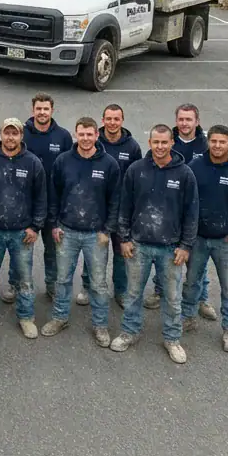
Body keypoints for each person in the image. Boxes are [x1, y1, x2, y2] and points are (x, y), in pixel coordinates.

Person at [109, 124, 199, 364]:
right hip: (138, 245)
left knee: (171, 297)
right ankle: (129, 331)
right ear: (149, 143)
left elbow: (192, 213)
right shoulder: (135, 170)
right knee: (133, 293)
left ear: (172, 143)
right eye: (155, 142)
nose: (160, 147)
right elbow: (124, 207)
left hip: (171, 249)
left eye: (164, 142)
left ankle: (172, 339)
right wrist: (125, 239)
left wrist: (185, 246)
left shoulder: (185, 174)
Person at [43, 117, 121, 347]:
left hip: (96, 234)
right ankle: (59, 317)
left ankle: (100, 325)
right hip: (66, 231)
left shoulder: (109, 164)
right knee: (63, 279)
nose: (85, 139)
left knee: (97, 284)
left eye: (90, 134)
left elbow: (115, 200)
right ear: (76, 135)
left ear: (97, 135)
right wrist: (54, 225)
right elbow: (53, 195)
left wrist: (107, 230)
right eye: (81, 134)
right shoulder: (63, 161)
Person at [0, 117, 47, 339]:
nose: (10, 137)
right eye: (7, 133)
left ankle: (26, 317)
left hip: (22, 232)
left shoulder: (33, 163)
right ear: (1, 134)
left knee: (24, 278)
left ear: (21, 136)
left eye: (15, 133)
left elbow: (41, 197)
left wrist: (35, 227)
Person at [183, 125, 228, 353]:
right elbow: (186, 200)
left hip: (225, 242)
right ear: (208, 143)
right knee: (191, 282)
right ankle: (187, 316)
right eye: (213, 141)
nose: (217, 146)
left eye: (222, 142)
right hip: (198, 239)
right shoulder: (195, 167)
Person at [88, 103, 143, 308]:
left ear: (122, 120)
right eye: (108, 119)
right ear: (103, 121)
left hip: (122, 211)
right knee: (93, 252)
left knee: (122, 253)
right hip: (97, 209)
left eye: (116, 119)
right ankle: (88, 286)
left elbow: (138, 178)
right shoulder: (93, 142)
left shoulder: (132, 147)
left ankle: (120, 290)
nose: (112, 123)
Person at [166, 103, 214, 318]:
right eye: (181, 119)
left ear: (197, 121)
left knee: (198, 260)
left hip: (197, 211)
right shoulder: (168, 142)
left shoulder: (206, 146)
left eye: (189, 119)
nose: (184, 123)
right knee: (168, 255)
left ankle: (201, 298)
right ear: (176, 121)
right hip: (171, 210)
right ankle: (160, 292)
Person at [24, 93, 73, 304]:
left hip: (54, 204)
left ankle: (52, 285)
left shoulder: (63, 137)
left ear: (52, 110)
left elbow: (70, 169)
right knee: (23, 250)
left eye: (46, 109)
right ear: (33, 110)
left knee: (53, 250)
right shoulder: (22, 133)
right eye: (38, 109)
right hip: (27, 204)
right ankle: (18, 285)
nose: (42, 112)